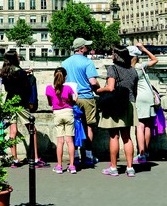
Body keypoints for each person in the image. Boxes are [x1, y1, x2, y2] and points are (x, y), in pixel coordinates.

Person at [0, 49, 48, 168]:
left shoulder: (4, 72)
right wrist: (27, 75)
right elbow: (25, 88)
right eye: (18, 57)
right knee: (32, 130)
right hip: (21, 103)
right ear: (15, 59)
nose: (19, 58)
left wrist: (24, 73)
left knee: (12, 131)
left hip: (9, 103)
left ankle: (15, 159)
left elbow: (11, 79)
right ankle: (36, 158)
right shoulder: (20, 73)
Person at [97, 46, 138, 177]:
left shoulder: (112, 68)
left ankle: (114, 168)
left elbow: (110, 88)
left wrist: (99, 90)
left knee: (114, 136)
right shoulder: (133, 70)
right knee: (127, 137)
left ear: (116, 55)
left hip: (115, 104)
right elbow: (134, 90)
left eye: (113, 53)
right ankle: (130, 167)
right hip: (129, 103)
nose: (111, 55)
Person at [62, 38, 100, 166]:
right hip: (86, 97)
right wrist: (99, 88)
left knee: (72, 127)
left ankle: (76, 155)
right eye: (86, 47)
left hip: (71, 98)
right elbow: (93, 82)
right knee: (88, 125)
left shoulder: (65, 62)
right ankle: (88, 155)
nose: (87, 48)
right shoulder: (88, 62)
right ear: (81, 48)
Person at [128, 42, 158, 164]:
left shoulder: (129, 69)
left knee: (139, 126)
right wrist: (144, 49)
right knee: (147, 126)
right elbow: (155, 60)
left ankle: (141, 154)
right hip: (149, 97)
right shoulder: (141, 66)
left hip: (139, 97)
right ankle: (146, 151)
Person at [46, 67, 78, 174]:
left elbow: (50, 103)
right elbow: (73, 101)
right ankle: (72, 166)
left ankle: (59, 166)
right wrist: (76, 97)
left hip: (57, 114)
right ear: (65, 77)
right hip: (68, 113)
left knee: (60, 141)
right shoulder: (68, 88)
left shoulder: (49, 89)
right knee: (70, 141)